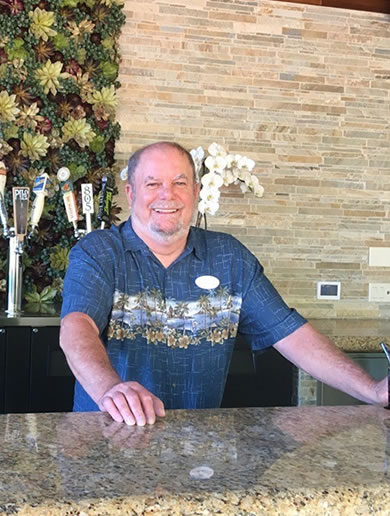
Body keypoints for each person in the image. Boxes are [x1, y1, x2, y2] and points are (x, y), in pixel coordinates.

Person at [60, 141, 389, 426]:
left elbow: (291, 334)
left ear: (196, 192)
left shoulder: (229, 257)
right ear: (130, 192)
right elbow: (77, 327)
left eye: (179, 182)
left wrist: (373, 390)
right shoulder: (98, 252)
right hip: (108, 436)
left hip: (198, 445)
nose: (167, 194)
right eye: (152, 183)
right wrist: (111, 389)